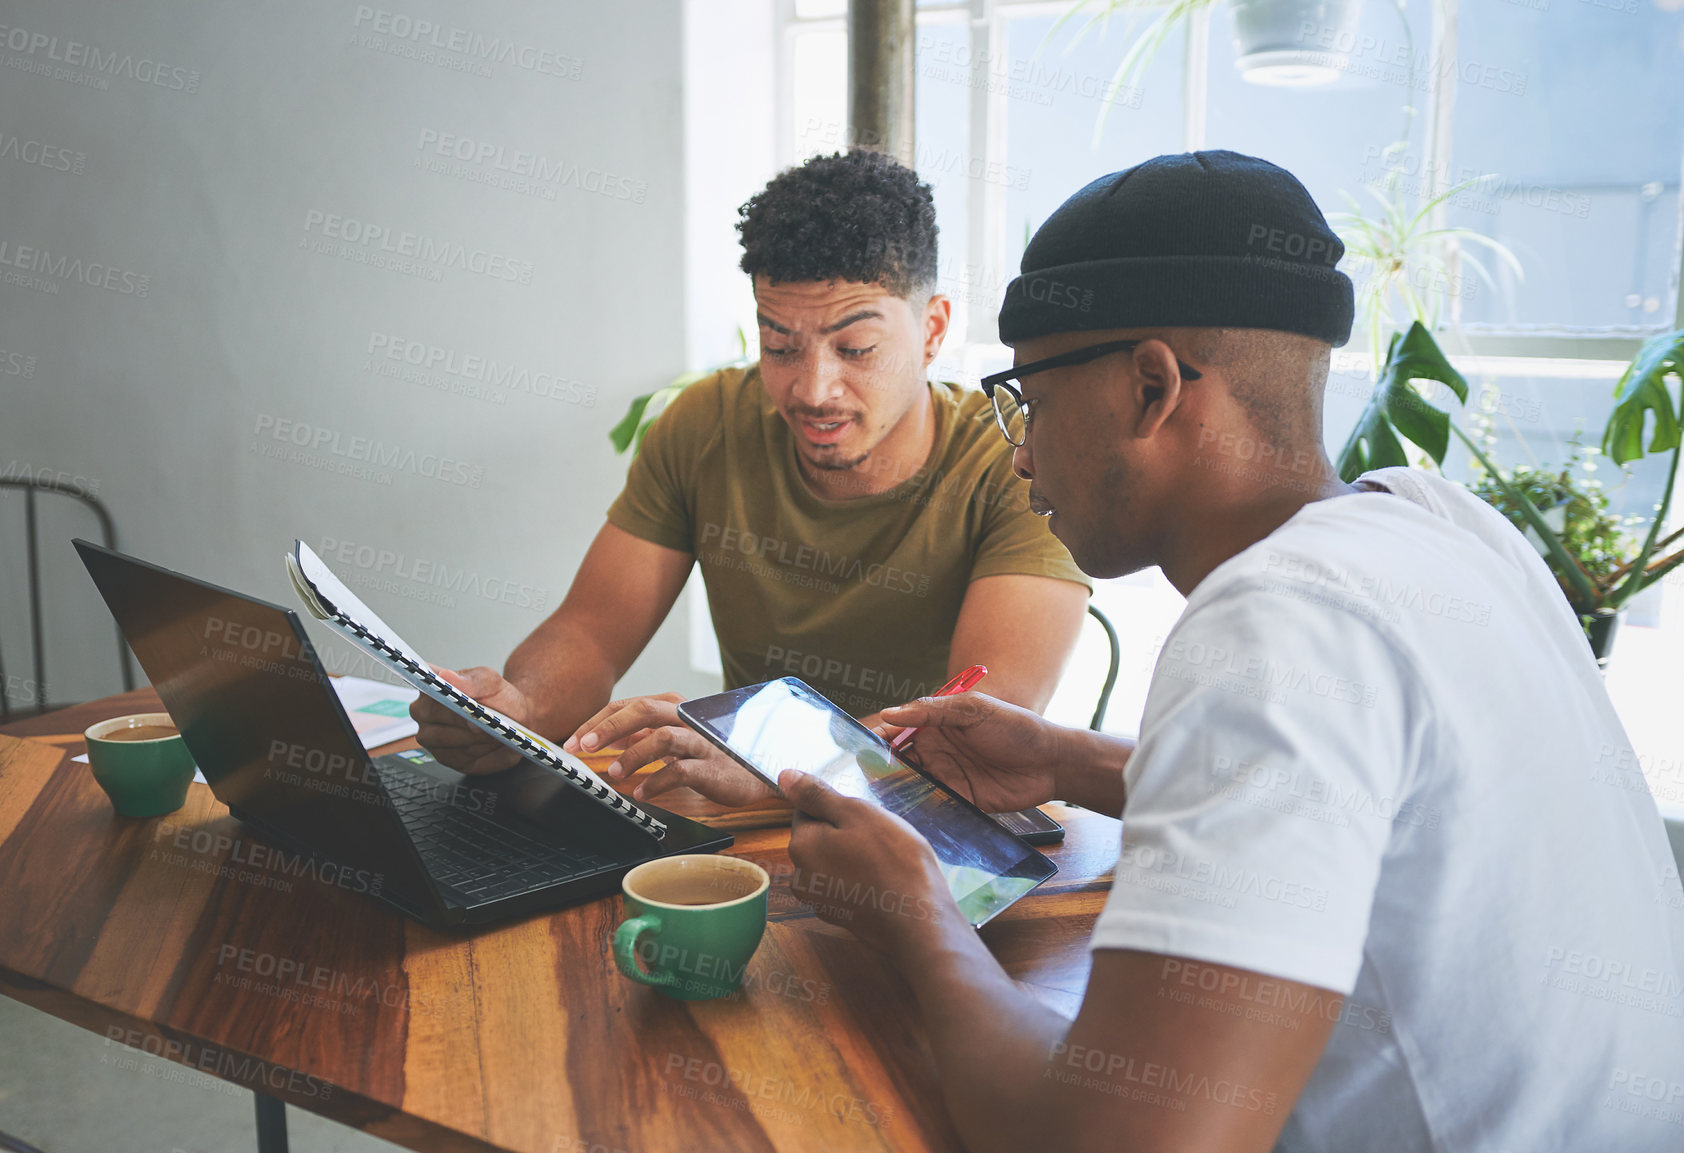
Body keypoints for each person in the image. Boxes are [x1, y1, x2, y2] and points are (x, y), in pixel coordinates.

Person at [778, 151, 1684, 1151]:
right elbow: (1382, 809)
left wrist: (915, 917)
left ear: (1151, 386)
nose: (1021, 449)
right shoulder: (1441, 523)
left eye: (1027, 397)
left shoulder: (1272, 617)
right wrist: (1070, 762)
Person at [410, 149, 1090, 805]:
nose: (814, 389)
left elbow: (976, 729)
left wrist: (773, 759)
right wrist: (517, 709)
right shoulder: (707, 424)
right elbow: (589, 630)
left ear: (933, 329)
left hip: (928, 837)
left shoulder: (1014, 461)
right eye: (779, 345)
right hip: (741, 824)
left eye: (857, 349)